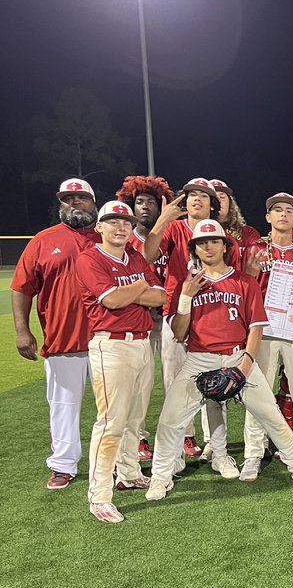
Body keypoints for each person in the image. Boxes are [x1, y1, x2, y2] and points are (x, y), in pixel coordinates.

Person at [146, 219, 293, 500]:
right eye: (202, 242)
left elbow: (256, 327)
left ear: (225, 246)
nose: (208, 246)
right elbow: (178, 333)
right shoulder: (188, 285)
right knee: (170, 420)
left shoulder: (244, 282)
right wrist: (186, 297)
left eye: (214, 241)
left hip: (238, 356)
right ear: (195, 249)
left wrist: (245, 366)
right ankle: (160, 478)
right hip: (199, 359)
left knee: (271, 415)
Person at [75, 201, 166, 522]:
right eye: (112, 221)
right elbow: (111, 300)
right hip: (110, 346)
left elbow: (161, 296)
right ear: (99, 227)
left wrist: (132, 290)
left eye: (125, 221)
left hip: (142, 344)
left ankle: (128, 472)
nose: (120, 227)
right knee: (111, 422)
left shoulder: (137, 257)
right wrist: (140, 286)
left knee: (134, 419)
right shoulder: (89, 258)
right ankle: (99, 495)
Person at [11, 178, 98, 488]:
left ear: (92, 201)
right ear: (61, 204)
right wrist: (22, 331)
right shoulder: (43, 240)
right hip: (63, 340)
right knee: (63, 407)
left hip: (107, 340)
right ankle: (63, 464)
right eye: (67, 199)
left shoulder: (109, 236)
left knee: (115, 409)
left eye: (81, 198)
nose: (74, 203)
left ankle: (115, 462)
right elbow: (22, 287)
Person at [240, 194, 293, 480]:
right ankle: (253, 452)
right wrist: (249, 274)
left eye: (289, 210)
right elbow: (240, 291)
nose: (284, 215)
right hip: (263, 331)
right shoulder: (253, 250)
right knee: (257, 393)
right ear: (268, 217)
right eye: (277, 210)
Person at [141, 177, 221, 458]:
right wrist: (162, 219)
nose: (197, 199)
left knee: (214, 381)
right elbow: (147, 255)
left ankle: (215, 445)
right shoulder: (175, 228)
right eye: (191, 194)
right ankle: (180, 441)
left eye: (204, 195)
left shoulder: (220, 233)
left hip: (213, 313)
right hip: (177, 311)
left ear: (213, 205)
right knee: (175, 382)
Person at [116, 174, 174, 461]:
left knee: (176, 381)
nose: (146, 207)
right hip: (138, 321)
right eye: (139, 202)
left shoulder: (174, 234)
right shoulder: (124, 238)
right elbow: (141, 264)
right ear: (130, 205)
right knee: (139, 386)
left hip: (170, 318)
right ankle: (137, 439)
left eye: (152, 202)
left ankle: (184, 435)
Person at [209, 179, 262, 263]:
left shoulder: (248, 233)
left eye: (222, 197)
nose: (218, 201)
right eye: (214, 198)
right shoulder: (195, 231)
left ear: (230, 203)